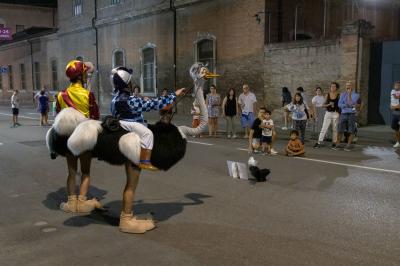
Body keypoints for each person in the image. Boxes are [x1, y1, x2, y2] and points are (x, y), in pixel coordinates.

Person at [110, 66, 185, 170]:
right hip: (130, 123)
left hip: (120, 122)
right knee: (148, 133)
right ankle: (145, 161)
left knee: (150, 127)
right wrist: (174, 95)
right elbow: (154, 104)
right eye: (130, 81)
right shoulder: (131, 100)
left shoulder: (114, 98)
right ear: (126, 84)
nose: (131, 83)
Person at [55, 60, 100, 213]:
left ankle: (71, 202)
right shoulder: (88, 94)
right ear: (80, 76)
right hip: (85, 138)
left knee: (71, 172)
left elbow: (58, 116)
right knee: (86, 171)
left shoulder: (61, 95)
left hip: (68, 139)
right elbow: (95, 117)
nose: (87, 76)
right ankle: (81, 202)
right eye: (85, 74)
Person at [334, 81, 360, 151]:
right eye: (347, 85)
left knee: (351, 130)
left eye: (349, 85)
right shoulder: (342, 94)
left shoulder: (356, 95)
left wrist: (349, 95)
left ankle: (348, 145)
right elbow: (339, 104)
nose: (348, 87)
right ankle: (338, 144)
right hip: (343, 113)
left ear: (352, 86)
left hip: (352, 114)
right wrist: (347, 105)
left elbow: (352, 103)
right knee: (340, 129)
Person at [313, 82, 340, 149]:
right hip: (328, 113)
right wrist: (329, 104)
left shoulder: (339, 95)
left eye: (334, 86)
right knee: (324, 128)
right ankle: (319, 142)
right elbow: (323, 105)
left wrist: (339, 112)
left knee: (335, 129)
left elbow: (340, 105)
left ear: (336, 87)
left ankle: (334, 143)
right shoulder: (327, 95)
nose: (332, 88)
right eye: (331, 86)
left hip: (335, 113)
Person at [390, 81, 400, 148]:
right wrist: (391, 105)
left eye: (398, 85)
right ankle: (398, 141)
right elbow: (393, 99)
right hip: (395, 113)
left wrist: (393, 107)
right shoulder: (393, 91)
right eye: (396, 85)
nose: (397, 86)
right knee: (395, 127)